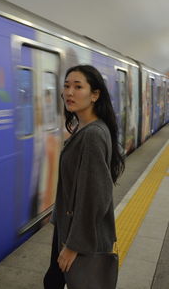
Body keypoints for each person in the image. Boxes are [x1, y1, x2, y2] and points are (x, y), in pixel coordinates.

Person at [43, 65, 125, 289]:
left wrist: (73, 245)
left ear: (95, 95)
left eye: (78, 87)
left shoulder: (92, 135)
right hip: (68, 227)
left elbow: (95, 196)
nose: (69, 92)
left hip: (79, 236)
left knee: (55, 282)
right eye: (67, 86)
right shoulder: (87, 127)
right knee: (53, 280)